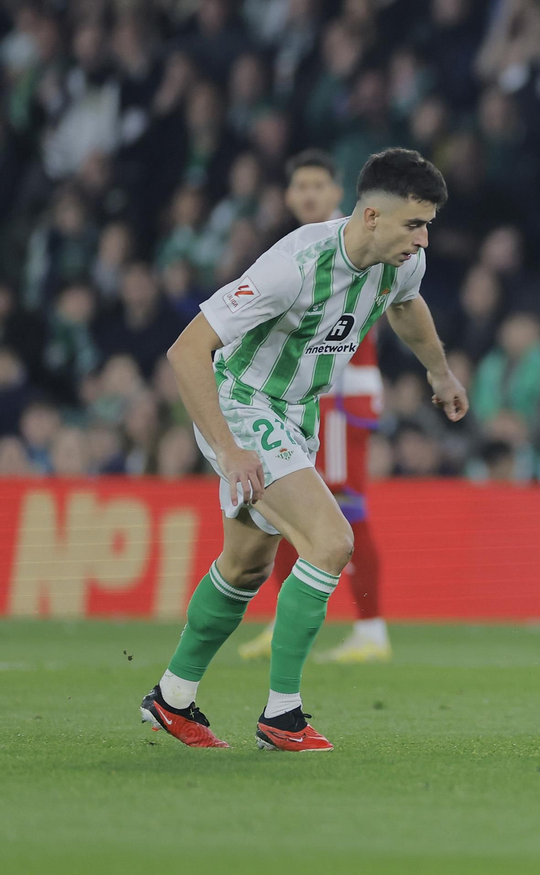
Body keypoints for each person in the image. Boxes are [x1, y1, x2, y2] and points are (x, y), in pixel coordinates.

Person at [141, 148, 467, 751]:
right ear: (371, 215)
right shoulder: (292, 266)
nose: (423, 240)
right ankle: (282, 715)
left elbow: (407, 309)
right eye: (413, 224)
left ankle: (172, 697)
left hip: (298, 414)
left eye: (427, 225)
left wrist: (439, 373)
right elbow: (187, 351)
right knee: (332, 540)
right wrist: (229, 448)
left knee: (244, 567)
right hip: (245, 407)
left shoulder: (401, 264)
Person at [238, 150, 393, 663]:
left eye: (317, 185)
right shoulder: (291, 250)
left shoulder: (356, 245)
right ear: (287, 196)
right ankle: (284, 622)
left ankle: (372, 631)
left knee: (348, 509)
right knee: (285, 506)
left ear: (336, 195)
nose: (307, 194)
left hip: (340, 399)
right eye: (299, 185)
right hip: (295, 396)